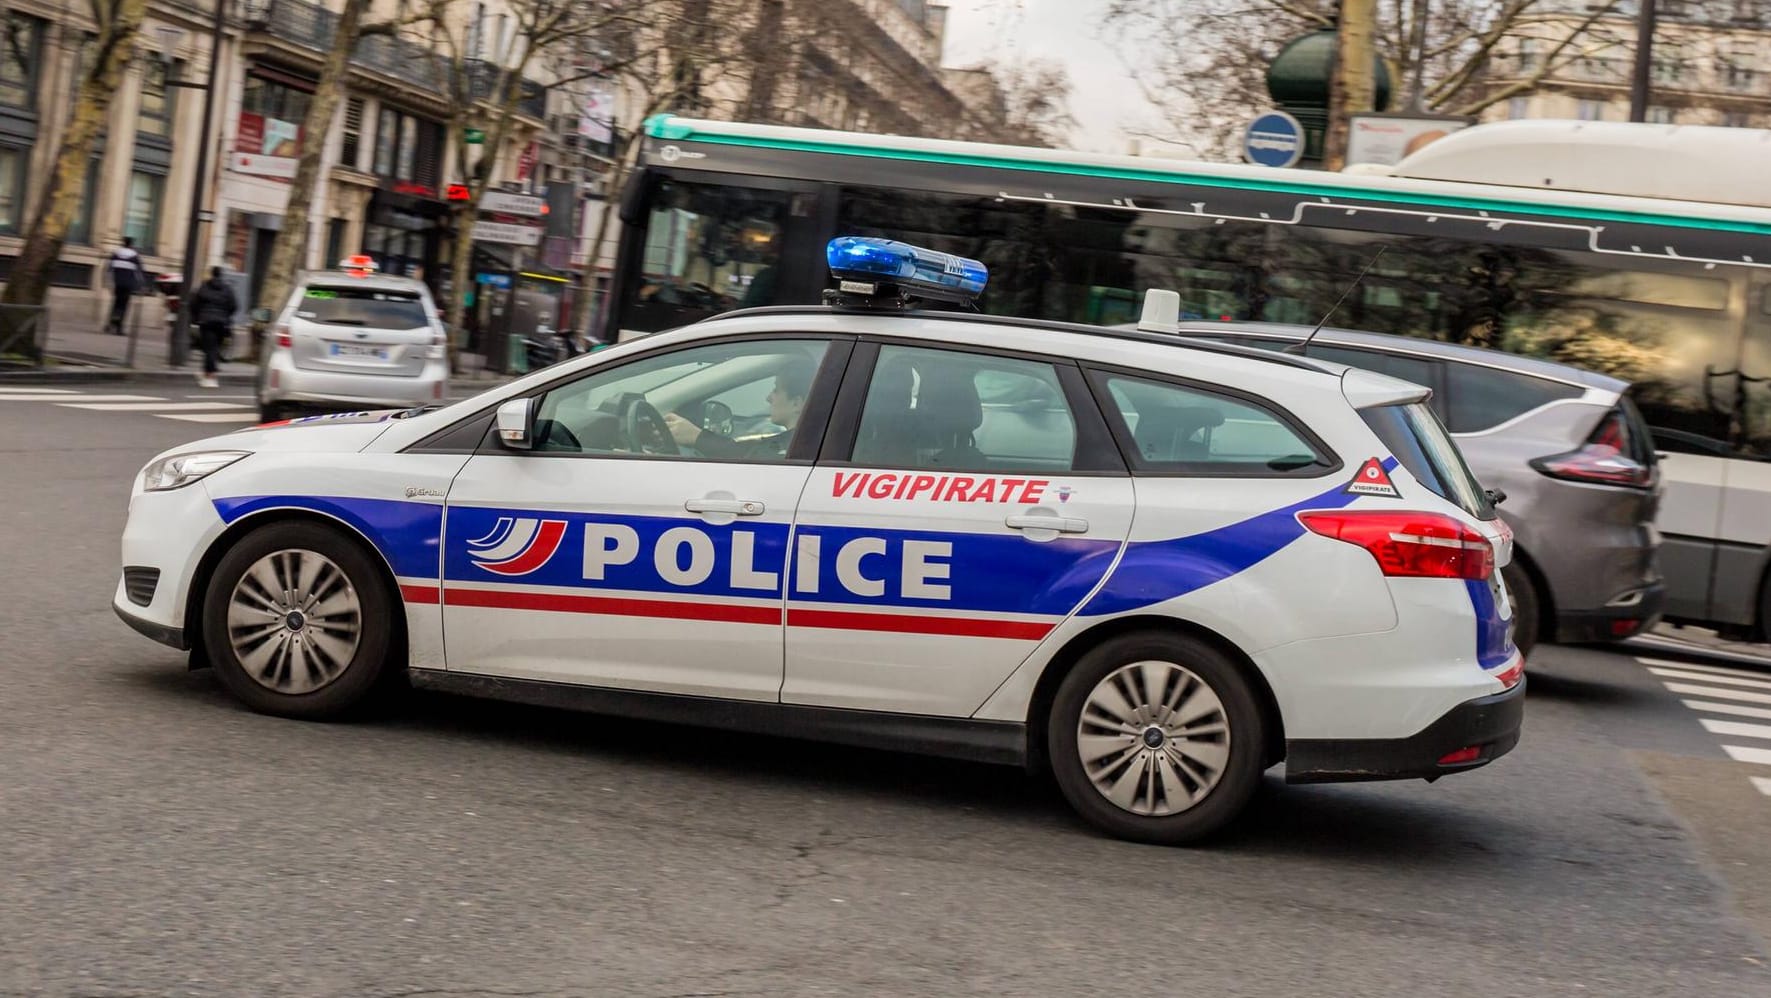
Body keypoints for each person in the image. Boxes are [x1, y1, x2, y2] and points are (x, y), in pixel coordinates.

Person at [664, 358, 814, 460]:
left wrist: (697, 437)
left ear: (796, 403)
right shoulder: (800, 444)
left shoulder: (796, 450)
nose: (768, 398)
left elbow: (750, 454)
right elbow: (749, 449)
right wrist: (697, 437)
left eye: (776, 390)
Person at [186, 266, 238, 389]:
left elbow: (194, 303)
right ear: (221, 274)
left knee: (209, 349)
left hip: (206, 321)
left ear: (211, 274)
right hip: (222, 323)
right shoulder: (227, 289)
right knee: (214, 349)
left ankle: (211, 376)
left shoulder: (204, 287)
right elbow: (234, 306)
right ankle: (206, 374)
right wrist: (226, 316)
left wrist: (196, 317)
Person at [106, 236, 148, 335]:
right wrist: (142, 285)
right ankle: (119, 327)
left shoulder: (115, 254)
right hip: (128, 284)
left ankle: (110, 324)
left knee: (116, 304)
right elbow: (139, 272)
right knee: (123, 306)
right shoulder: (135, 256)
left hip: (117, 282)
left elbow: (108, 269)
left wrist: (108, 283)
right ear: (131, 245)